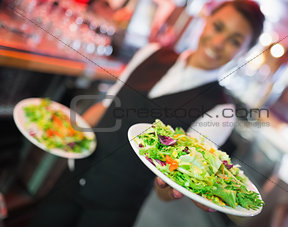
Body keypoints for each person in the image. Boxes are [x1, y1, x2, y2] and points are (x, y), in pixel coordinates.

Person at [30, 1, 264, 226]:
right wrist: (63, 135)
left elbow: (172, 184)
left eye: (235, 41)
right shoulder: (152, 52)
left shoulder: (221, 112)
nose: (219, 42)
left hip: (113, 210)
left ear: (244, 52)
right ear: (206, 20)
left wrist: (171, 186)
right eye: (218, 26)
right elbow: (107, 105)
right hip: (71, 178)